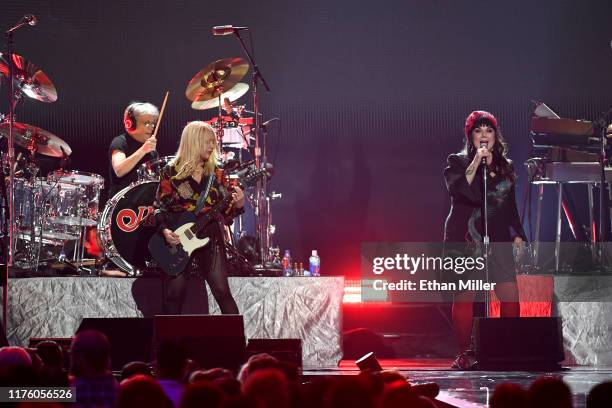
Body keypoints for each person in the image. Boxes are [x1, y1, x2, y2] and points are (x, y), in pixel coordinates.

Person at [443, 110, 526, 369]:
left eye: (488, 130)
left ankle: (507, 347)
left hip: (498, 234)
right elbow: (462, 190)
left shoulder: (506, 166)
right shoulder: (457, 161)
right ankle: (464, 352)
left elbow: (509, 204)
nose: (484, 136)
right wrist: (477, 161)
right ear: (471, 136)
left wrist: (518, 235)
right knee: (465, 294)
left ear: (495, 135)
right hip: (466, 235)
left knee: (509, 292)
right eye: (478, 131)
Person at [153, 121, 243, 315]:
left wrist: (238, 205)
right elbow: (159, 208)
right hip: (178, 237)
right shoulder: (171, 173)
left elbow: (227, 216)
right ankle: (167, 344)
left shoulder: (217, 174)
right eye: (207, 142)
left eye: (213, 142)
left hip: (210, 235)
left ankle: (237, 343)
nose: (212, 147)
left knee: (221, 290)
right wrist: (165, 231)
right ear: (193, 142)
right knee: (175, 293)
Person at [108, 102, 159, 197]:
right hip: (123, 202)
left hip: (144, 202)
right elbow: (119, 170)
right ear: (130, 124)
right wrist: (143, 150)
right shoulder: (120, 142)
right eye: (146, 123)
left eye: (152, 123)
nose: (152, 127)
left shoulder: (152, 150)